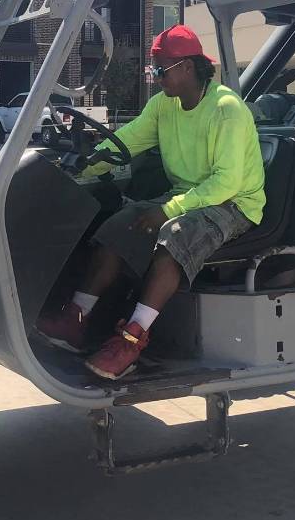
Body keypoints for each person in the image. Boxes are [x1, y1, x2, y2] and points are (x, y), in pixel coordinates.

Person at [36, 24, 266, 380]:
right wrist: (88, 159)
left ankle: (131, 339)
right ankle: (75, 319)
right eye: (153, 69)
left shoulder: (226, 109)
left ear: (188, 67)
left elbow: (226, 183)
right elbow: (130, 138)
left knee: (173, 236)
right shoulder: (164, 105)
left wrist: (167, 210)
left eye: (161, 69)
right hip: (189, 195)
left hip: (233, 204)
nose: (156, 77)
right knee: (120, 224)